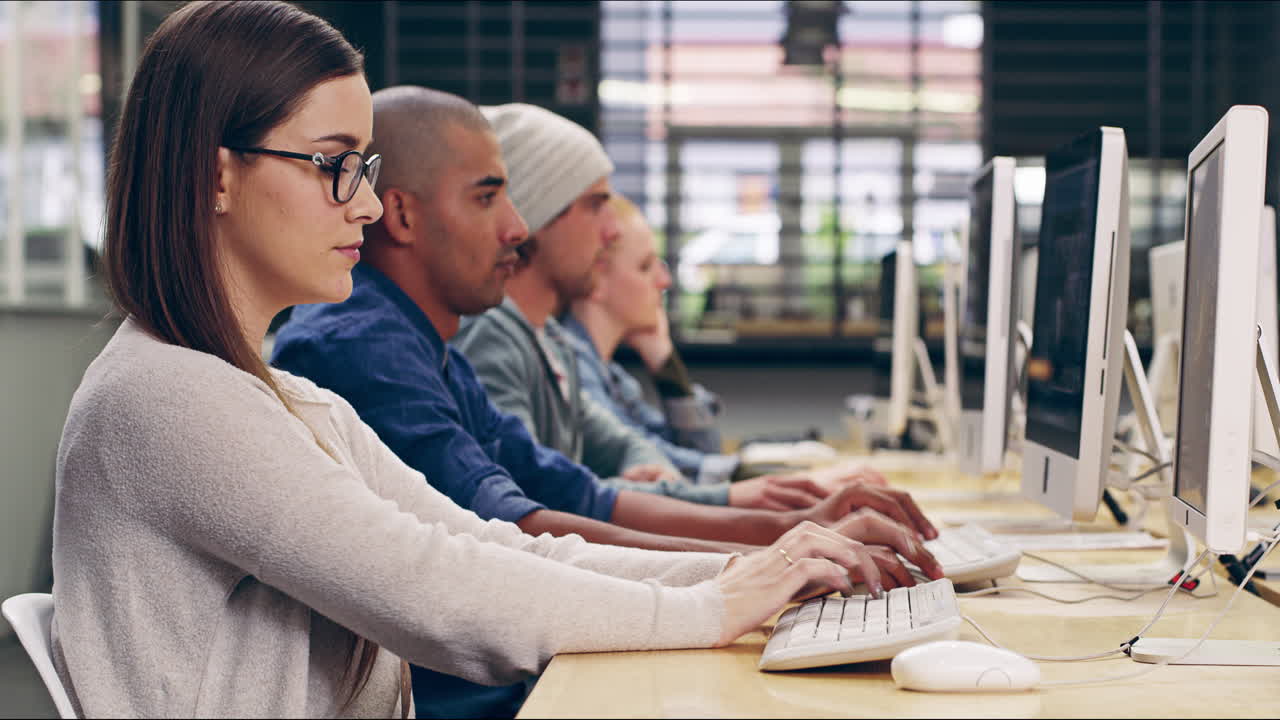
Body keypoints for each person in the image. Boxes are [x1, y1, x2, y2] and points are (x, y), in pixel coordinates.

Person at [49, 4, 912, 717]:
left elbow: (491, 546)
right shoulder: (165, 396)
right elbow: (434, 593)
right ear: (216, 177)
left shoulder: (286, 399)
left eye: (367, 167)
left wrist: (745, 573)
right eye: (333, 166)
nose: (366, 204)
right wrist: (717, 603)